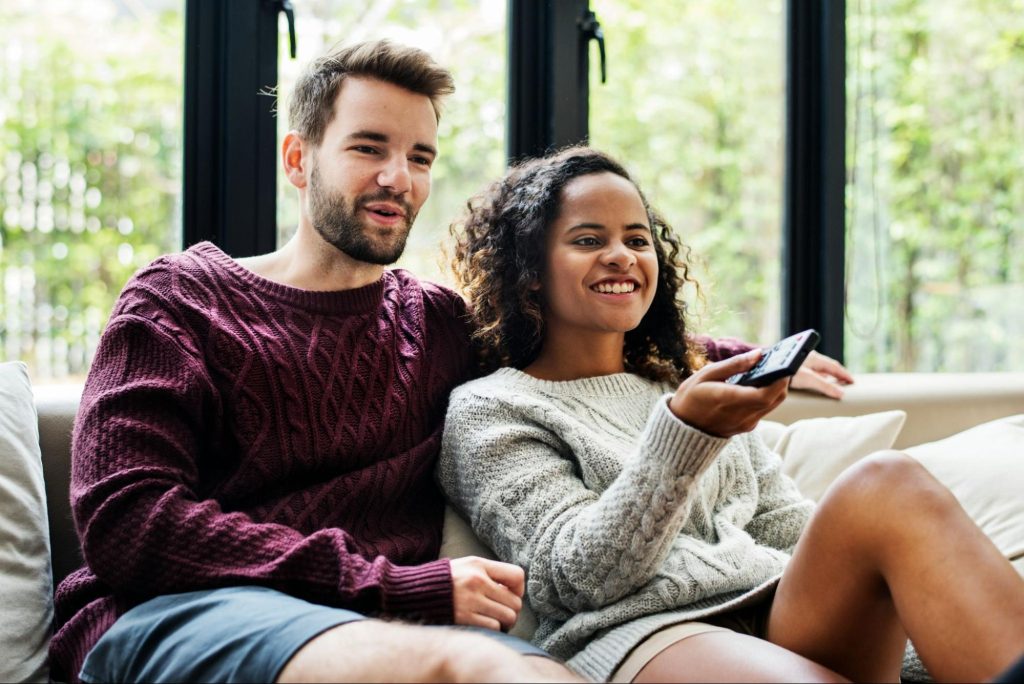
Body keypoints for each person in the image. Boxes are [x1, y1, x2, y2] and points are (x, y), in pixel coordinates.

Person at [50, 40, 581, 684]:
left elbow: (592, 353)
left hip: (381, 630)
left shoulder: (443, 324)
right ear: (299, 160)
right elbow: (127, 524)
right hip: (179, 614)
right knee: (469, 668)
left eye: (420, 157)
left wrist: (720, 372)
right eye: (369, 148)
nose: (398, 178)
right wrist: (391, 585)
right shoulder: (180, 300)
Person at [438, 145, 1024, 683]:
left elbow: (785, 531)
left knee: (884, 480)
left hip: (774, 607)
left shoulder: (680, 386)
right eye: (589, 240)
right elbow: (576, 581)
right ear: (530, 273)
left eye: (638, 240)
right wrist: (687, 433)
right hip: (641, 632)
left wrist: (929, 646)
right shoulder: (492, 410)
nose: (621, 256)